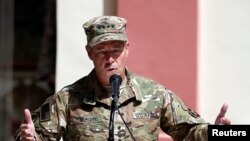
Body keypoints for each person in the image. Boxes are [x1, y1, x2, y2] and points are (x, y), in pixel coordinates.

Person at [14, 16, 231, 141]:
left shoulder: (154, 94)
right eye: (101, 51)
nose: (110, 59)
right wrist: (28, 138)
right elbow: (33, 136)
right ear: (89, 53)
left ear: (127, 49)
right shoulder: (68, 98)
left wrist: (219, 132)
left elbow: (190, 132)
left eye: (116, 49)